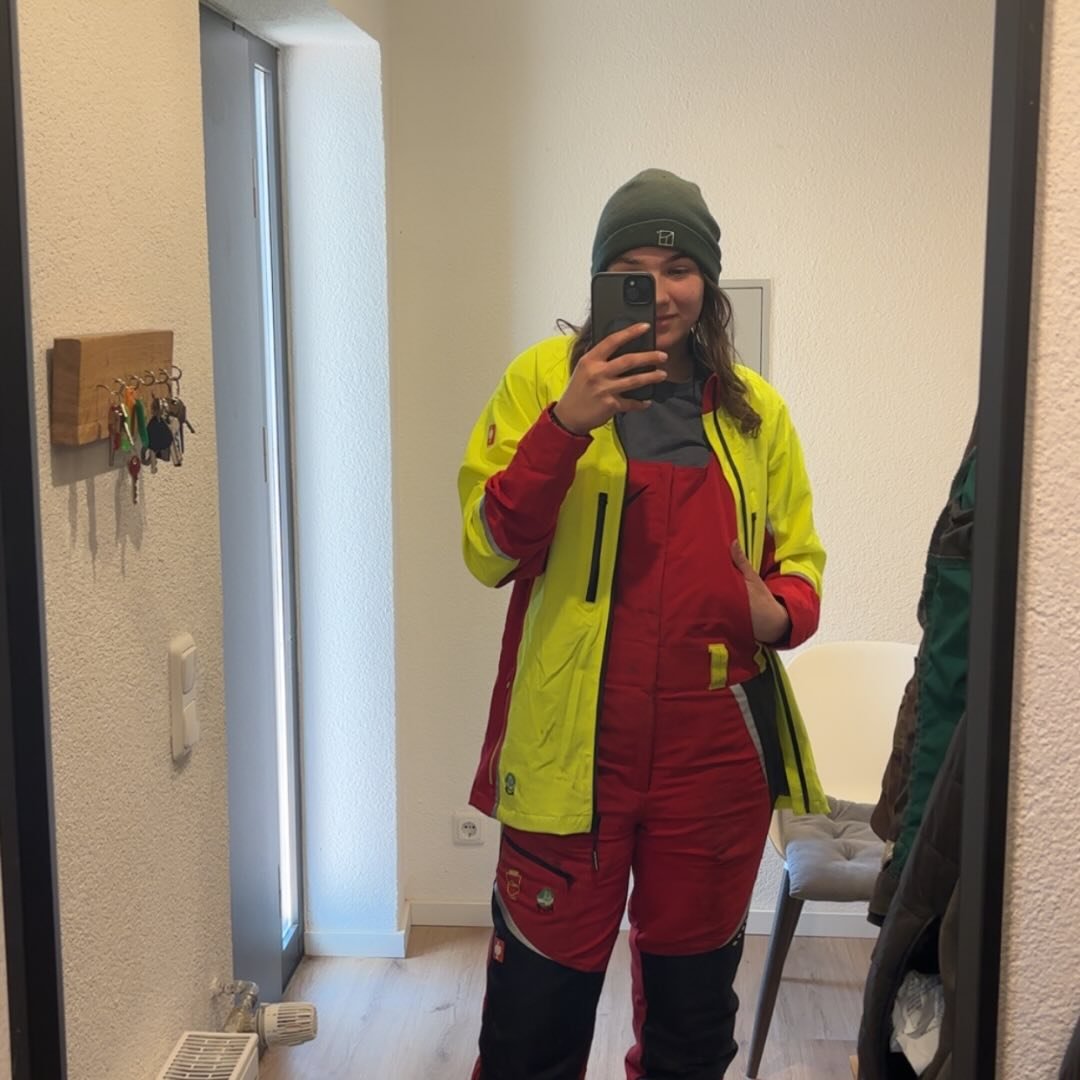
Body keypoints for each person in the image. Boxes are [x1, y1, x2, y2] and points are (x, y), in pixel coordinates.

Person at [458, 168, 828, 1079]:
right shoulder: (540, 382)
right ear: (599, 279)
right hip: (569, 755)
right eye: (631, 269)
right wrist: (565, 424)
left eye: (678, 269)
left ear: (709, 283)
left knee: (692, 1035)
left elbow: (801, 565)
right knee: (530, 1034)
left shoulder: (756, 412)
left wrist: (777, 610)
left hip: (715, 761)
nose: (658, 292)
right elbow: (489, 547)